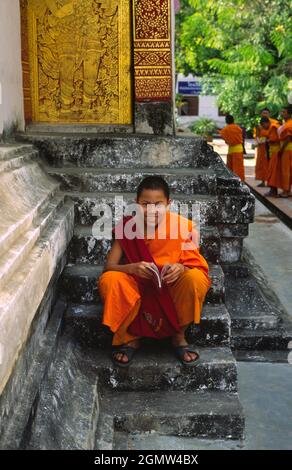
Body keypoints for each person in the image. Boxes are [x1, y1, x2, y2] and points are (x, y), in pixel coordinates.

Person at [98, 176, 211, 367]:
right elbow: (109, 267)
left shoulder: (184, 227)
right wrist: (131, 268)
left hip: (169, 286)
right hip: (138, 285)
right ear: (136, 204)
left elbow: (196, 265)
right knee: (110, 279)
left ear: (168, 204)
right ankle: (130, 337)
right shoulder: (128, 227)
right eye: (145, 204)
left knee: (195, 278)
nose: (151, 210)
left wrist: (181, 268)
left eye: (158, 204)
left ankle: (178, 335)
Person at [258, 117, 282, 197]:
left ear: (266, 123)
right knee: (271, 172)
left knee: (273, 172)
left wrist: (266, 140)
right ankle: (272, 190)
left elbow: (274, 139)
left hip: (275, 152)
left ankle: (273, 191)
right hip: (273, 152)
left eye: (263, 126)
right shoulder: (273, 127)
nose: (264, 128)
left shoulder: (273, 127)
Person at [219, 114, 245, 181]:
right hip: (239, 149)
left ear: (226, 121)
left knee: (230, 166)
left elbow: (223, 137)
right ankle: (240, 181)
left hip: (231, 149)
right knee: (238, 167)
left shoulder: (225, 129)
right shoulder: (238, 128)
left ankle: (232, 180)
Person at [278, 105, 292, 198]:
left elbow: (289, 137)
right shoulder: (286, 123)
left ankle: (286, 191)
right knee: (288, 170)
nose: (282, 113)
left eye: (284, 112)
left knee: (286, 170)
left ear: (289, 114)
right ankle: (288, 190)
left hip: (287, 148)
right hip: (287, 148)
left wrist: (282, 149)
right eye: (281, 111)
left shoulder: (289, 124)